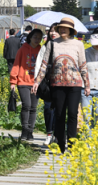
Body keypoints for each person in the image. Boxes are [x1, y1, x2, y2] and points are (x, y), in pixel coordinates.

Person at [32, 17, 89, 154]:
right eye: (60, 27)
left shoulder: (78, 45)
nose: (62, 29)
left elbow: (82, 65)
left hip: (75, 85)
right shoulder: (52, 44)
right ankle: (61, 145)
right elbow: (44, 64)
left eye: (65, 28)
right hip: (57, 84)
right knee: (59, 114)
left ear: (71, 30)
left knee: (73, 114)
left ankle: (72, 145)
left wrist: (87, 85)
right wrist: (37, 82)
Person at [11, 28, 43, 141]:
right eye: (35, 37)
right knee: (26, 105)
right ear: (30, 37)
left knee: (33, 108)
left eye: (39, 38)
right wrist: (13, 81)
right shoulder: (22, 49)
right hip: (23, 82)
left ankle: (30, 132)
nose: (37, 40)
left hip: (35, 83)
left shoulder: (41, 51)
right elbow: (16, 65)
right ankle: (24, 130)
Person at [34, 24, 59, 146]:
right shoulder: (45, 47)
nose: (53, 33)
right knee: (48, 108)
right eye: (51, 31)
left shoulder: (66, 46)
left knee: (60, 109)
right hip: (48, 82)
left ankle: (58, 134)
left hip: (61, 82)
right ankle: (49, 133)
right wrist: (36, 81)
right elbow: (39, 64)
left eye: (56, 31)